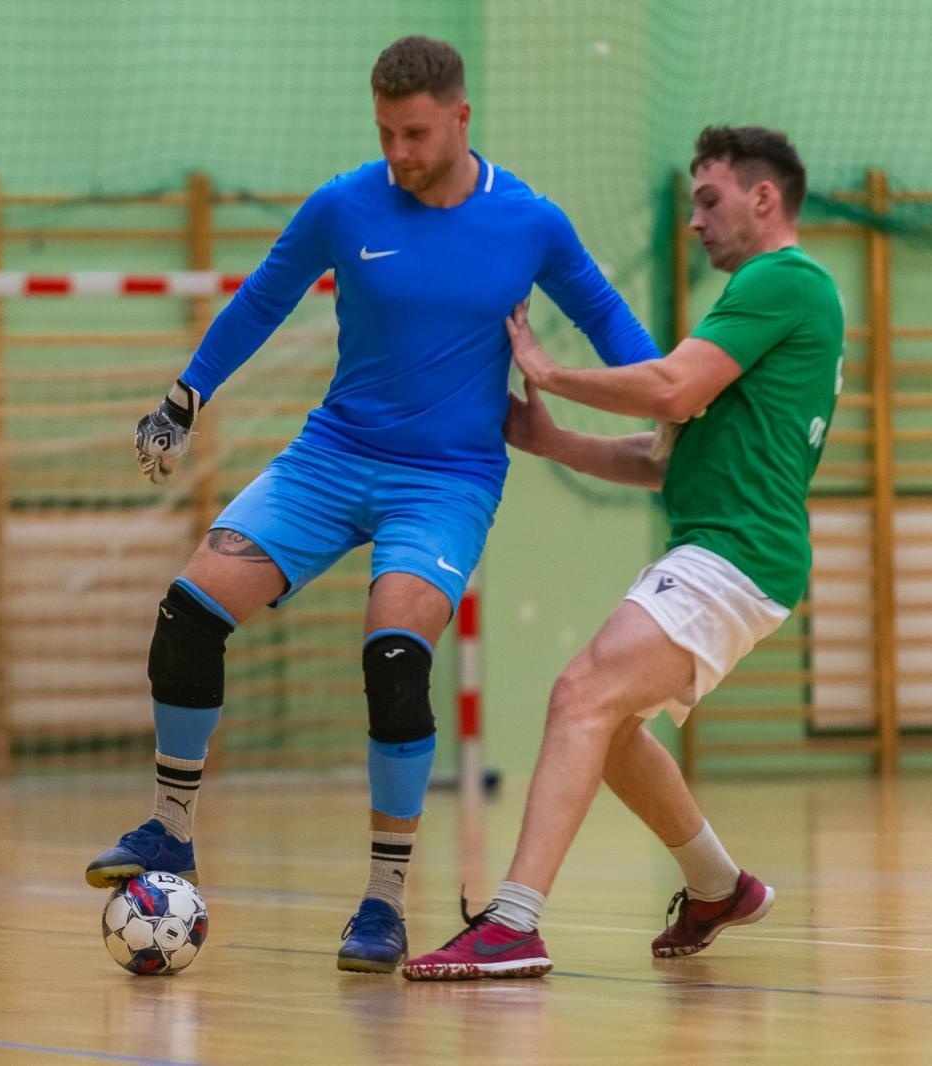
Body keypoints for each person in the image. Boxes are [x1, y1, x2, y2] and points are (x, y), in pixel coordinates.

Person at [85, 35, 659, 977]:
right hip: (332, 455)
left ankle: (384, 902)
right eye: (386, 132)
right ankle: (170, 832)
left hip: (447, 481)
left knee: (393, 658)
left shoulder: (531, 222)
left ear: (462, 118)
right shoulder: (345, 203)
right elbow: (259, 302)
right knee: (187, 615)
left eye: (417, 133)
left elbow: (617, 331)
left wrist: (674, 410)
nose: (399, 152)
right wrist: (181, 400)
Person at [402, 125, 844, 980]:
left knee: (580, 696)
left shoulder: (783, 279)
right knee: (606, 726)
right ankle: (718, 886)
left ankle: (514, 923)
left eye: (708, 200)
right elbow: (661, 457)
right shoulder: (774, 296)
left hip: (738, 555)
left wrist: (549, 368)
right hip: (731, 550)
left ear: (764, 198)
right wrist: (553, 440)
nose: (694, 222)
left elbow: (673, 387)